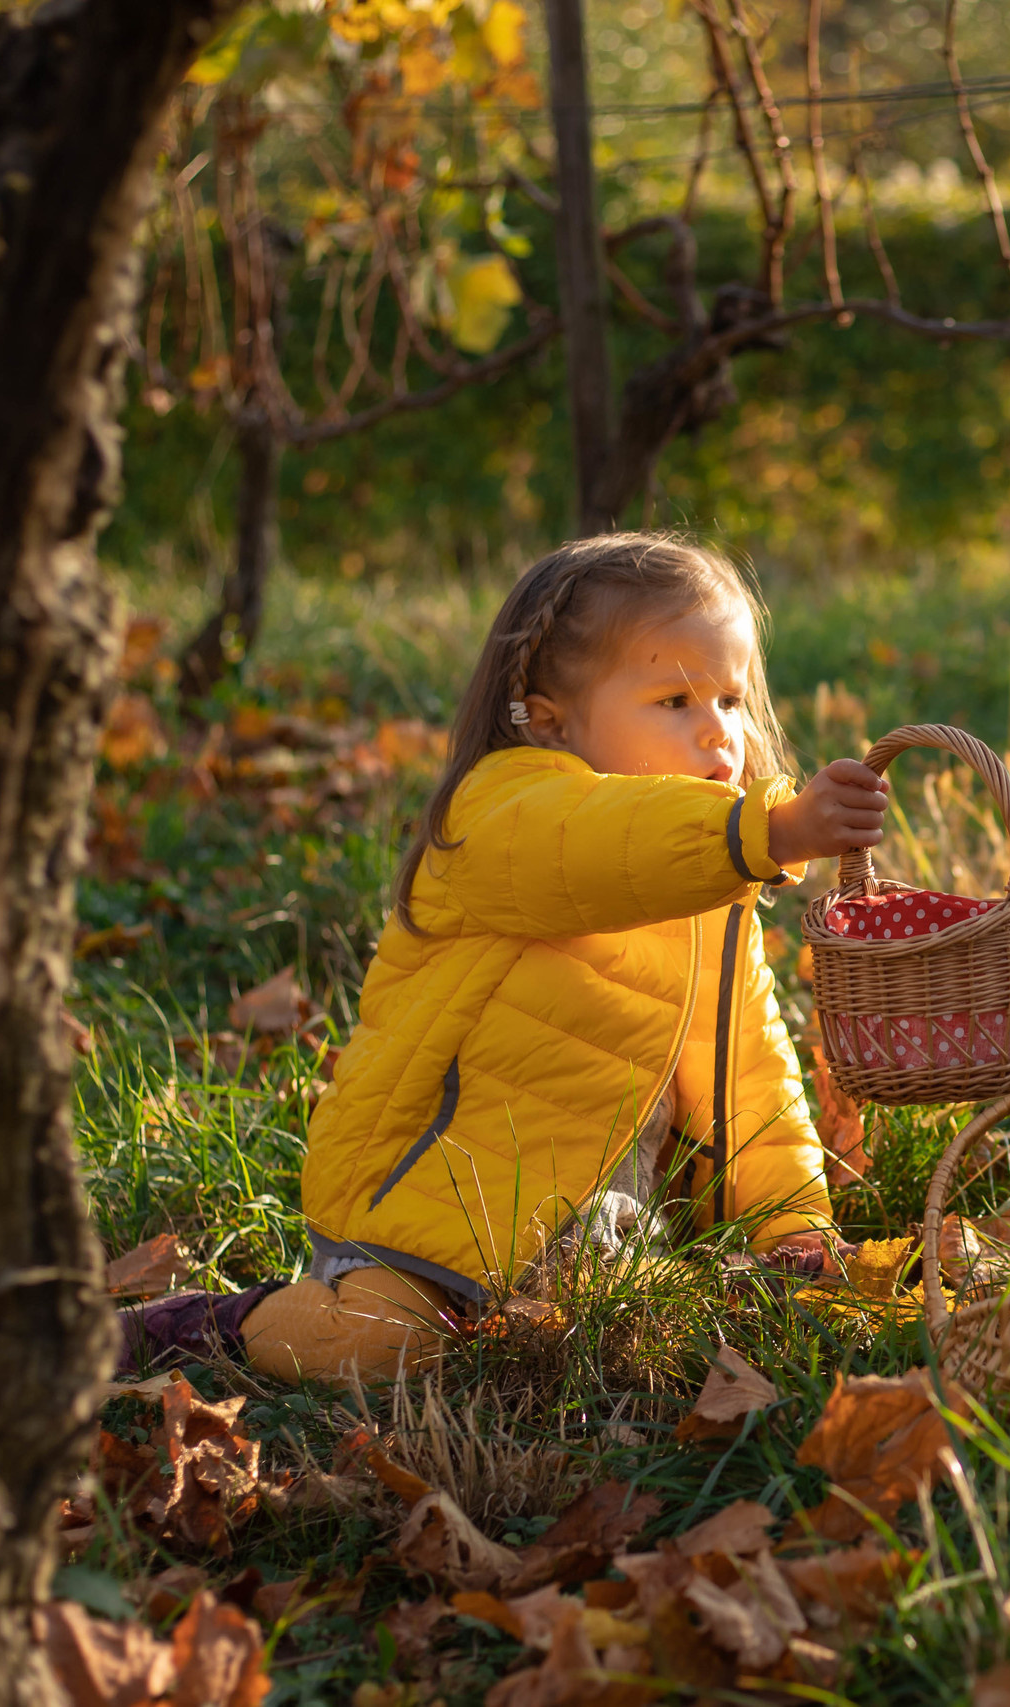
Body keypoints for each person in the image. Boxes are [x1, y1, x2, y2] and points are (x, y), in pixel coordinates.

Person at [120, 533, 889, 1386]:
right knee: (387, 1344)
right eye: (674, 700)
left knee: (657, 1340)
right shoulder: (500, 813)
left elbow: (744, 1071)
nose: (719, 734)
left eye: (733, 700)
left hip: (589, 1218)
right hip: (434, 1209)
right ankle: (213, 1326)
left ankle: (562, 1318)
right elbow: (600, 846)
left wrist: (794, 1227)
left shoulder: (712, 886)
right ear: (550, 717)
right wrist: (766, 831)